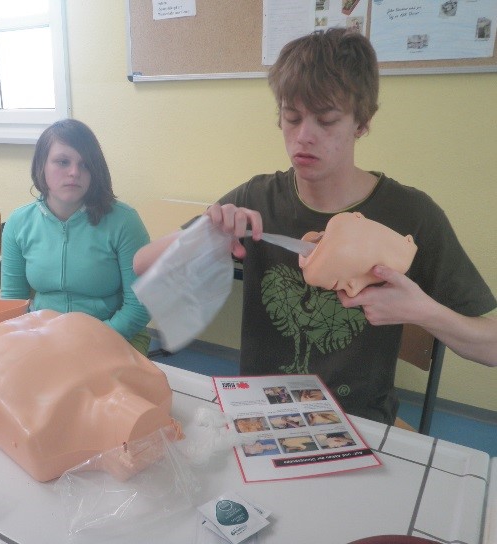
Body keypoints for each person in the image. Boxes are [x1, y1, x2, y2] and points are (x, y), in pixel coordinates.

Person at [134, 28, 497, 425]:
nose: (304, 137)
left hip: (356, 420)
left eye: (326, 120)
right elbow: (142, 264)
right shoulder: (258, 198)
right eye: (292, 117)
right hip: (262, 410)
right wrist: (207, 234)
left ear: (362, 123)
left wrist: (424, 312)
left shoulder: (411, 214)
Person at [1, 119, 151, 354]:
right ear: (41, 165)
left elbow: (139, 307)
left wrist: (85, 344)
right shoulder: (18, 222)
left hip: (114, 336)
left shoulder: (124, 221)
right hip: (44, 336)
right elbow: (12, 302)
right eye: (63, 162)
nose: (74, 172)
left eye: (85, 164)